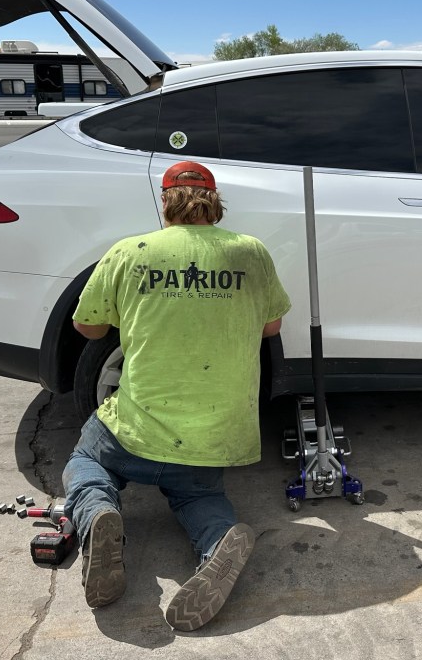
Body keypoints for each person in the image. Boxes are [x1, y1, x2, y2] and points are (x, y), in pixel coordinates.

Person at [63, 160, 291, 630]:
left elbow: (87, 325)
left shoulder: (131, 250)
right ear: (215, 202)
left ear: (165, 202)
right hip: (214, 436)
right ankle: (219, 540)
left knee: (86, 461)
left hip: (136, 430)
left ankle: (100, 512)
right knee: (196, 496)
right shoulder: (250, 252)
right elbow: (272, 326)